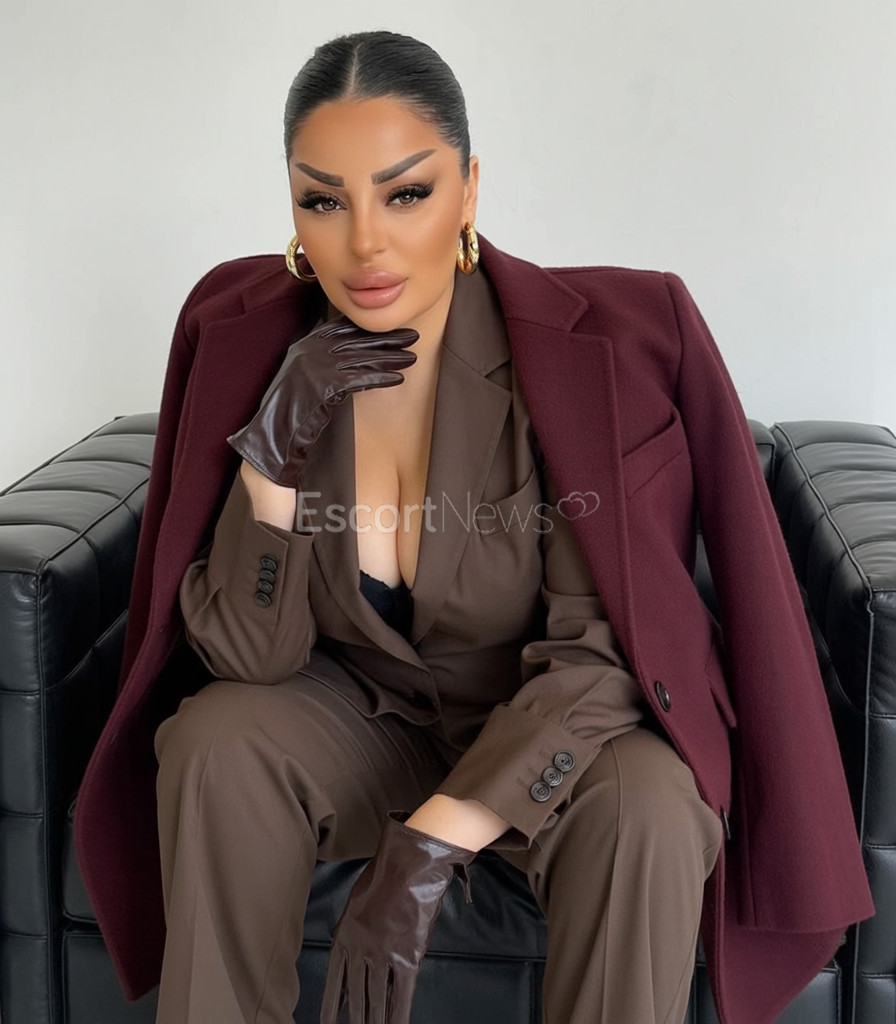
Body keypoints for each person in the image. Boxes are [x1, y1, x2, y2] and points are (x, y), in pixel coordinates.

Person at [72, 29, 873, 1024]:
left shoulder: (589, 350)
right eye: (324, 201)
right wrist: (273, 449)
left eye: (405, 193)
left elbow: (601, 658)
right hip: (356, 717)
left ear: (467, 192)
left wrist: (429, 846)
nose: (365, 243)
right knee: (214, 742)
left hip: (552, 722)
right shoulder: (249, 341)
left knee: (652, 809)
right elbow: (247, 652)